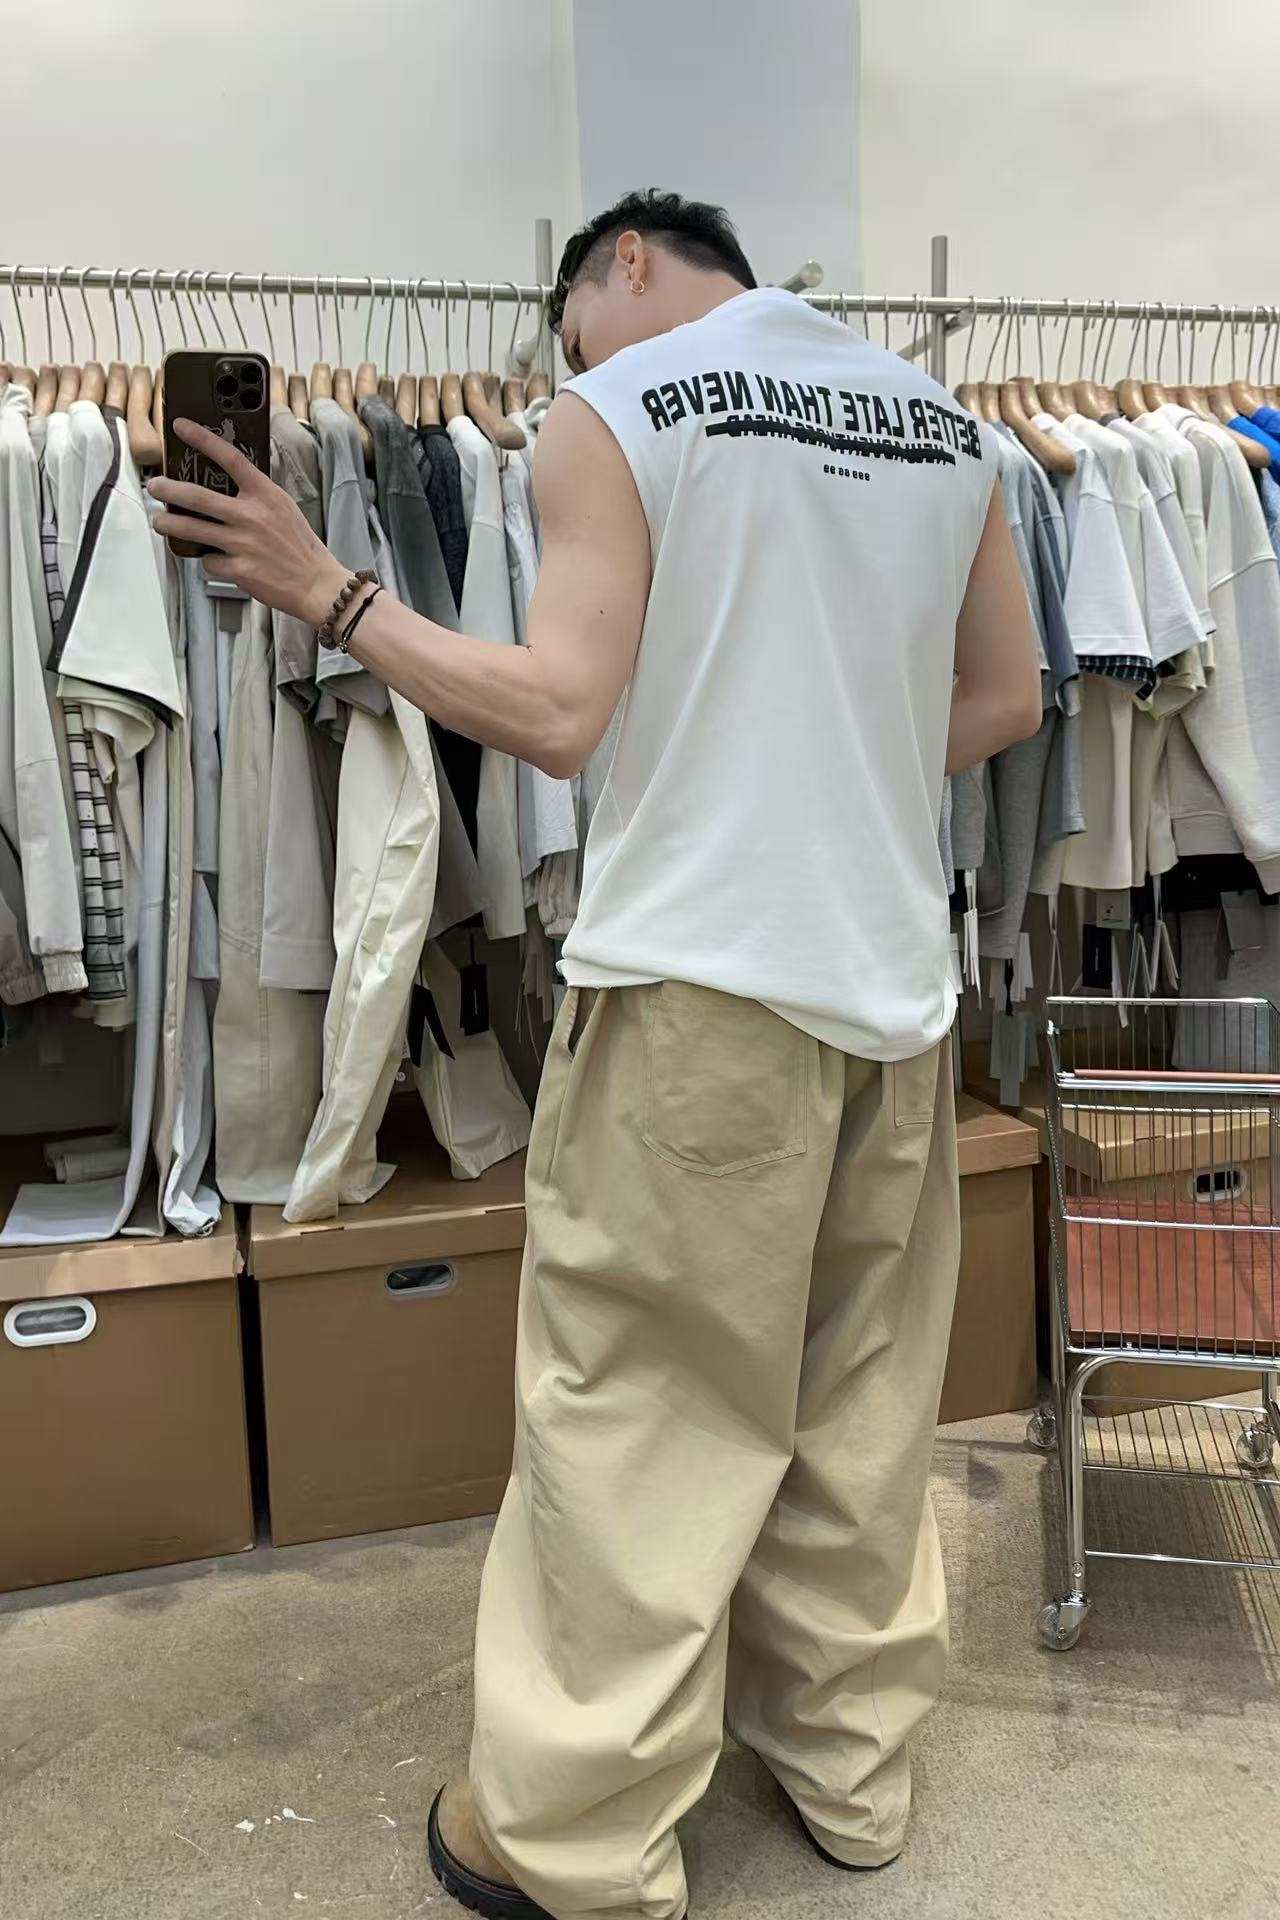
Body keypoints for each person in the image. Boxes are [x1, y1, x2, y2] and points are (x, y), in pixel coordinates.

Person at [151, 189, 1041, 1920]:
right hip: (895, 1006)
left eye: (568, 324)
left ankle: (574, 1841)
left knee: (640, 1417)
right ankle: (850, 1772)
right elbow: (1003, 700)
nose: (568, 359)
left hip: (701, 1003)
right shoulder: (942, 425)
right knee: (858, 1417)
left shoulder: (618, 408)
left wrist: (327, 588)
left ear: (624, 261)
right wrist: (816, 751)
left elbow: (559, 714)